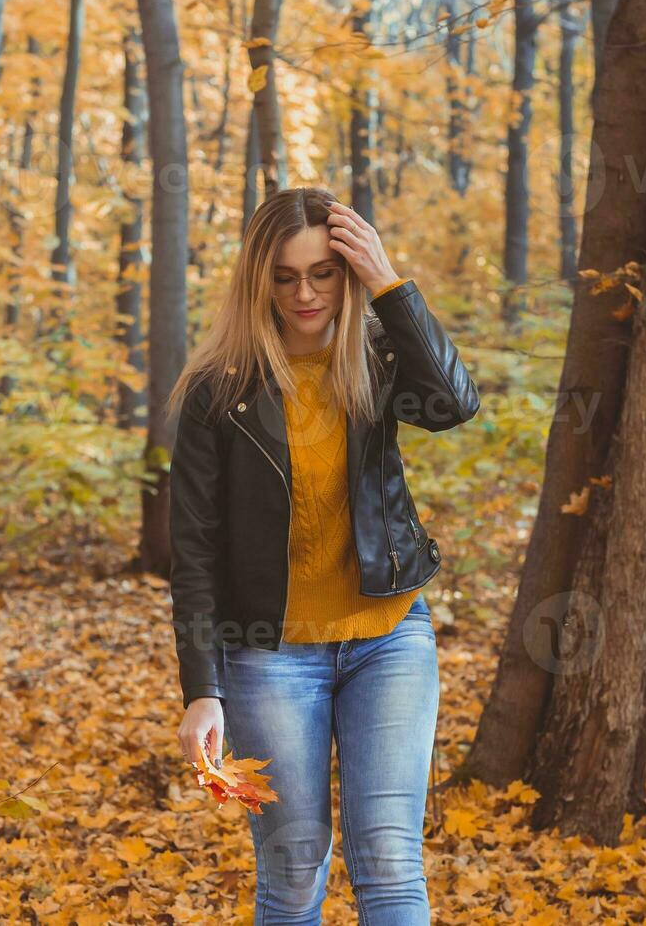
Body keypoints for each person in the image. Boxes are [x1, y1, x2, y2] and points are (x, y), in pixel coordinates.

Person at [165, 186, 480, 925]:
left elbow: (453, 405)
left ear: (346, 273)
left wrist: (389, 282)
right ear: (258, 280)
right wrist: (200, 687)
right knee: (293, 865)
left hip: (390, 639)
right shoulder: (220, 390)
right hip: (268, 654)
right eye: (284, 275)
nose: (304, 292)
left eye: (323, 273)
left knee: (391, 860)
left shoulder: (374, 356)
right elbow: (195, 550)